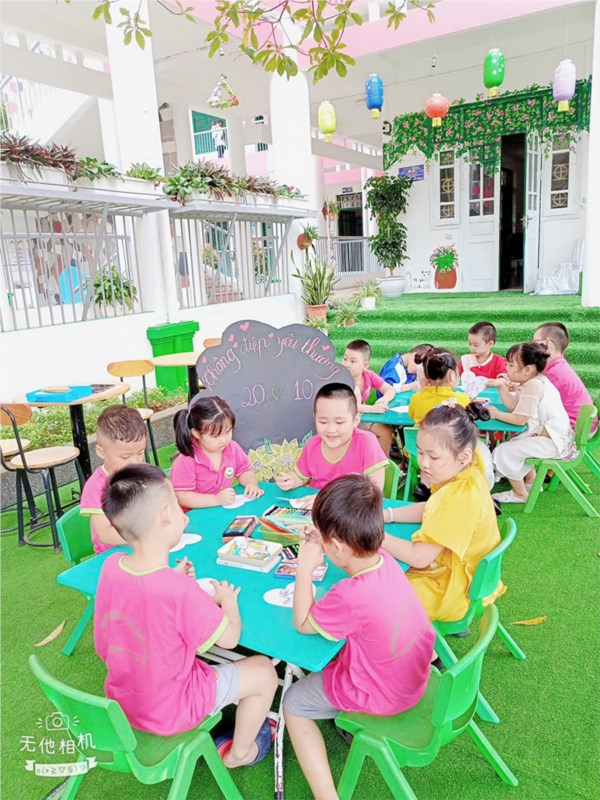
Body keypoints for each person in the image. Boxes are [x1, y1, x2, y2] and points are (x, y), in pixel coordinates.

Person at [94, 463, 278, 766]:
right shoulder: (178, 591)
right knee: (264, 672)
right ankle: (240, 753)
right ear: (168, 514)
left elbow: (108, 639)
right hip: (173, 708)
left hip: (123, 701)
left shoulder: (111, 567)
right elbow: (230, 639)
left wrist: (173, 578)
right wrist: (227, 600)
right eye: (177, 504)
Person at [283, 474, 435, 800]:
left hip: (383, 694)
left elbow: (302, 623)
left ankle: (326, 796)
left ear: (338, 546)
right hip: (415, 677)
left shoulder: (350, 595)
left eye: (327, 540)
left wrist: (304, 569)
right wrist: (325, 540)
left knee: (293, 702)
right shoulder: (386, 560)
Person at [383, 404, 505, 622]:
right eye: (420, 452)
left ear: (463, 456)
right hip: (473, 578)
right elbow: (431, 508)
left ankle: (421, 646)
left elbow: (419, 557)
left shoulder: (456, 497)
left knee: (376, 590)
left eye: (434, 457)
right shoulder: (467, 472)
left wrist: (373, 533)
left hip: (454, 590)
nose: (423, 463)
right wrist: (387, 514)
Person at [275, 383, 388, 508]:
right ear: (315, 418)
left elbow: (373, 492)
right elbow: (301, 476)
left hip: (351, 511)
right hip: (314, 510)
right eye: (323, 422)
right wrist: (290, 480)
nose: (331, 429)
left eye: (339, 422)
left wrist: (325, 500)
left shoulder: (366, 442)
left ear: (355, 420)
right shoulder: (312, 445)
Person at [489, 342, 575, 503]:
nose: (506, 368)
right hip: (554, 438)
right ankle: (532, 483)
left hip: (552, 443)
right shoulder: (534, 381)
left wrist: (495, 414)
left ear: (527, 370)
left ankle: (520, 494)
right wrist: (501, 386)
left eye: (511, 365)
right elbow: (514, 407)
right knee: (514, 444)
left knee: (504, 451)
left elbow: (519, 419)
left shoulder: (533, 385)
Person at [171, 396, 263, 509]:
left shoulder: (232, 448)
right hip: (194, 515)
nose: (224, 440)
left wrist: (251, 483)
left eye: (228, 431)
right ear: (196, 433)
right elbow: (182, 496)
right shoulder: (186, 460)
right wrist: (215, 499)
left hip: (219, 509)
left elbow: (244, 471)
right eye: (215, 436)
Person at [80, 405, 147, 554]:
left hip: (144, 547)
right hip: (114, 555)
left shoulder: (142, 472)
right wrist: (145, 534)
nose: (135, 461)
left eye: (140, 452)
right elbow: (104, 534)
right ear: (101, 452)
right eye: (125, 456)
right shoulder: (96, 487)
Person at [533, 322, 596, 431]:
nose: (532, 347)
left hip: (576, 427)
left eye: (535, 343)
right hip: (582, 423)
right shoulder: (557, 366)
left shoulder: (554, 374)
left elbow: (535, 401)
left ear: (547, 343)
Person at [342, 339, 395, 455]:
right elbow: (351, 406)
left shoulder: (369, 375)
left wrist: (384, 399)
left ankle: (383, 462)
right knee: (362, 441)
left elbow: (390, 389)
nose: (346, 364)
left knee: (385, 432)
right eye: (345, 359)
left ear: (365, 365)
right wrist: (373, 408)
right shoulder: (342, 379)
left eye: (352, 361)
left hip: (363, 417)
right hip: (346, 420)